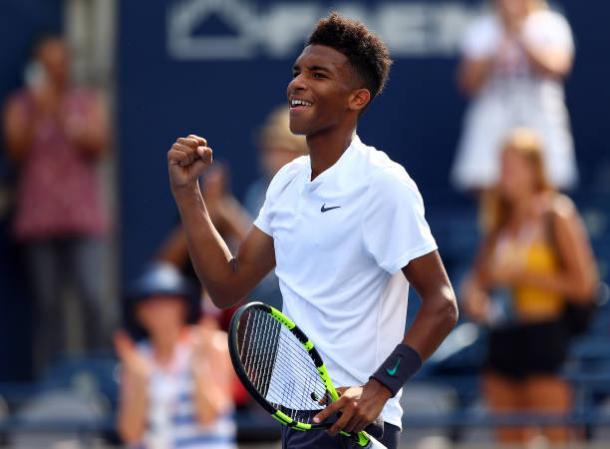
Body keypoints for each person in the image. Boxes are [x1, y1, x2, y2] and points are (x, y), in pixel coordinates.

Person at [167, 12, 458, 449]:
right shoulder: (286, 182)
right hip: (299, 420)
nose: (297, 83)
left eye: (317, 74)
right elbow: (227, 286)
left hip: (353, 423)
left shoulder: (382, 184)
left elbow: (442, 303)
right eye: (298, 72)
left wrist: (378, 389)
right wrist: (189, 194)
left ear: (357, 98)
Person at [461, 128, 598, 445]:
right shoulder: (499, 223)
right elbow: (476, 282)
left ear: (534, 168)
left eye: (512, 164)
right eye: (501, 164)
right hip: (503, 336)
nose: (504, 174)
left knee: (557, 436)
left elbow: (584, 286)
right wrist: (476, 299)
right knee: (510, 440)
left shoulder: (557, 214)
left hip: (546, 337)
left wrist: (525, 276)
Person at [2, 33, 110, 372]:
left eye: (60, 62)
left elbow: (98, 145)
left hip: (82, 218)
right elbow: (16, 149)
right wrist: (39, 110)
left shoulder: (86, 101)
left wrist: (61, 112)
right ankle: (50, 381)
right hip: (39, 219)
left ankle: (102, 374)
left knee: (93, 298)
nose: (56, 69)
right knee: (48, 306)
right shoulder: (20, 105)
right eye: (48, 63)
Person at [452, 0, 577, 193]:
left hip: (541, 118)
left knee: (548, 185)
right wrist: (500, 40)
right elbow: (468, 83)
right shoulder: (482, 29)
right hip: (493, 120)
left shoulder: (551, 24)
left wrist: (519, 33)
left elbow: (557, 68)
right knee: (486, 185)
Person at [116, 263, 236, 449]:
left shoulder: (213, 346)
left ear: (183, 306)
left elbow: (209, 417)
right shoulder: (137, 357)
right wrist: (140, 381)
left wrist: (199, 366)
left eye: (166, 301)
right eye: (149, 304)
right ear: (139, 313)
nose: (158, 310)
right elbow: (130, 433)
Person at [243, 106, 308, 309]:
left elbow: (277, 265)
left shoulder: (312, 194)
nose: (273, 157)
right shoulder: (257, 192)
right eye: (270, 150)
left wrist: (227, 215)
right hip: (263, 308)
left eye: (283, 150)